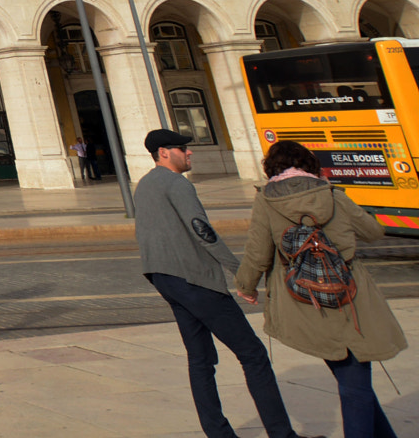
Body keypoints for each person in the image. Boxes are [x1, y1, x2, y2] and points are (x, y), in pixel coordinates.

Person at [137, 128, 317, 438]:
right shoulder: (177, 184)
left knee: (201, 359)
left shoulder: (143, 185)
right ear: (164, 153)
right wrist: (240, 273)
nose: (189, 152)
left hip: (165, 279)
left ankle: (218, 433)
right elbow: (202, 230)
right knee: (253, 355)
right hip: (197, 281)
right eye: (182, 148)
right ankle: (281, 434)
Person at [238, 139, 405, 438]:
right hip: (350, 296)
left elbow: (257, 252)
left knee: (352, 379)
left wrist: (246, 286)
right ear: (310, 165)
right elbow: (373, 231)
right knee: (355, 382)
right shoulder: (332, 195)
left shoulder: (266, 201)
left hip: (307, 300)